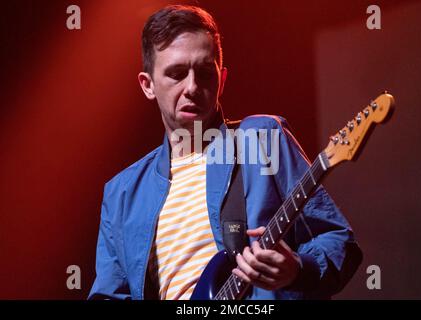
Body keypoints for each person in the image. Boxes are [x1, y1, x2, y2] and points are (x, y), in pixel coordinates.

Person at [88, 4, 362, 300]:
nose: (192, 87)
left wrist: (298, 269)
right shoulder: (123, 193)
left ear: (223, 79)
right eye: (177, 74)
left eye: (205, 72)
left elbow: (339, 241)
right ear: (148, 85)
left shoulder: (261, 139)